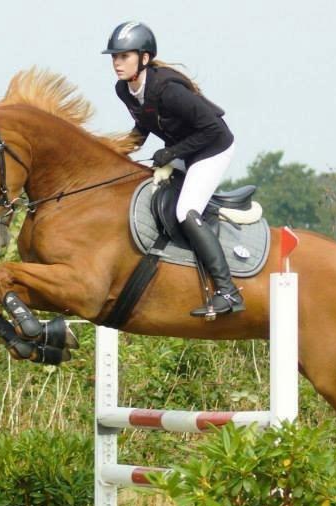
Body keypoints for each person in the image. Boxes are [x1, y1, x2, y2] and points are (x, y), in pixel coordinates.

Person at [103, 21, 244, 317]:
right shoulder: (124, 89)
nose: (117, 63)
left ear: (144, 58)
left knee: (185, 211)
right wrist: (117, 151)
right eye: (114, 57)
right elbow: (144, 124)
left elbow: (213, 129)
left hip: (212, 148)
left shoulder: (168, 89)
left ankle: (228, 292)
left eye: (124, 56)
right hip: (185, 148)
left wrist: (171, 152)